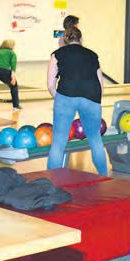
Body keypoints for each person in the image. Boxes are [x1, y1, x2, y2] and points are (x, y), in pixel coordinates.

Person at [47, 27, 107, 176]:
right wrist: (94, 100)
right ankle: (104, 176)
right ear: (81, 39)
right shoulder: (92, 55)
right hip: (91, 96)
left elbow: (50, 84)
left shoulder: (57, 54)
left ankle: (51, 180)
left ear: (65, 40)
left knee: (59, 142)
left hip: (66, 95)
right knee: (95, 139)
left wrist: (60, 99)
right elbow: (101, 84)